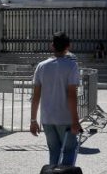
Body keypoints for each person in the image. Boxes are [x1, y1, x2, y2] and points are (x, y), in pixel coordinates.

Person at [29, 32, 82, 166]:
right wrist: (75, 121)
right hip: (65, 118)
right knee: (69, 151)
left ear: (52, 46)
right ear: (68, 46)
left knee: (53, 152)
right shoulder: (71, 66)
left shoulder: (41, 66)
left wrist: (33, 120)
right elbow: (71, 95)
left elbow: (36, 96)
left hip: (47, 118)